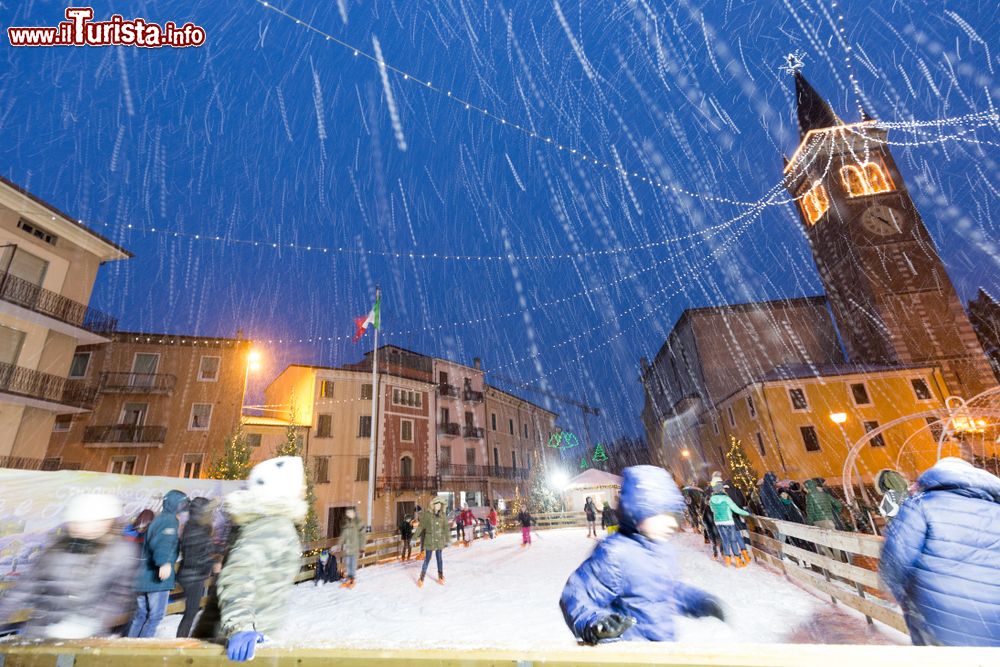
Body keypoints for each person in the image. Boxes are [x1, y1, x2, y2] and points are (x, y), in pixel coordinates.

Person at [560, 465, 725, 643]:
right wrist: (595, 623)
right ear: (638, 512)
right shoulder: (615, 553)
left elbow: (665, 592)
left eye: (674, 516)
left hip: (662, 648)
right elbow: (576, 595)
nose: (671, 524)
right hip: (630, 653)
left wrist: (697, 601)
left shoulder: (662, 549)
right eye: (661, 515)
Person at [193, 456, 307, 662]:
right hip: (241, 646)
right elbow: (238, 574)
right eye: (301, 484)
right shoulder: (273, 526)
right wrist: (241, 627)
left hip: (250, 637)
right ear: (284, 488)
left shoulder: (267, 521)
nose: (304, 490)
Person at [880, 458, 1000, 647]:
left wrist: (894, 589)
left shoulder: (920, 504)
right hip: (994, 614)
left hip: (939, 611)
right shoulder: (996, 509)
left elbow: (898, 554)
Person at [0, 493, 138, 639]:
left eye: (94, 521)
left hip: (86, 637)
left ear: (109, 522)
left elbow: (119, 596)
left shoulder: (120, 553)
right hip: (40, 633)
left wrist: (90, 622)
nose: (84, 527)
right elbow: (23, 590)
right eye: (78, 521)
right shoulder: (55, 549)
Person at [127, 489, 189, 638]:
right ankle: (140, 653)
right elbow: (163, 543)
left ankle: (128, 647)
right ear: (177, 505)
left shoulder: (160, 519)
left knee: (141, 616)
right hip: (156, 580)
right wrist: (165, 563)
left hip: (143, 577)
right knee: (155, 617)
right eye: (183, 504)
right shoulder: (169, 521)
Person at [176, 497, 220, 638]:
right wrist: (212, 563)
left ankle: (182, 640)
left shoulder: (195, 526)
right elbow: (194, 558)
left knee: (192, 612)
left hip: (194, 575)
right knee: (190, 613)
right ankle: (180, 642)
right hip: (192, 577)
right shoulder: (196, 531)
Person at [709, 483, 751, 567]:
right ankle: (738, 561)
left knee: (725, 540)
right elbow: (736, 509)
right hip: (728, 521)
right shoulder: (726, 498)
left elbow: (713, 510)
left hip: (718, 522)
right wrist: (747, 513)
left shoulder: (711, 499)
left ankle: (727, 561)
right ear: (721, 489)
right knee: (733, 540)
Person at [415, 496, 450, 587]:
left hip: (439, 540)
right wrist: (414, 538)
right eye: (436, 504)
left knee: (439, 559)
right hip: (430, 540)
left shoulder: (442, 515)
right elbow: (420, 527)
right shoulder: (428, 515)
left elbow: (446, 527)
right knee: (427, 559)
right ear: (433, 505)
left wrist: (448, 539)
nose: (438, 506)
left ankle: (440, 576)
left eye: (439, 504)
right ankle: (421, 578)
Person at [337, 507, 366, 588]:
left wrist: (362, 547)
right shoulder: (346, 524)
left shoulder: (358, 523)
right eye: (348, 513)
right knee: (348, 563)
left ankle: (352, 578)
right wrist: (339, 544)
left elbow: (362, 536)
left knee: (353, 564)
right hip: (348, 548)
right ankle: (349, 577)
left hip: (355, 547)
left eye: (351, 512)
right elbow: (343, 535)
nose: (349, 514)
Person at [700, 490, 720, 559]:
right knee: (715, 537)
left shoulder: (709, 507)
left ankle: (716, 553)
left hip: (711, 525)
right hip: (711, 525)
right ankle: (716, 553)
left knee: (714, 538)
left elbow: (703, 517)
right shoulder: (712, 507)